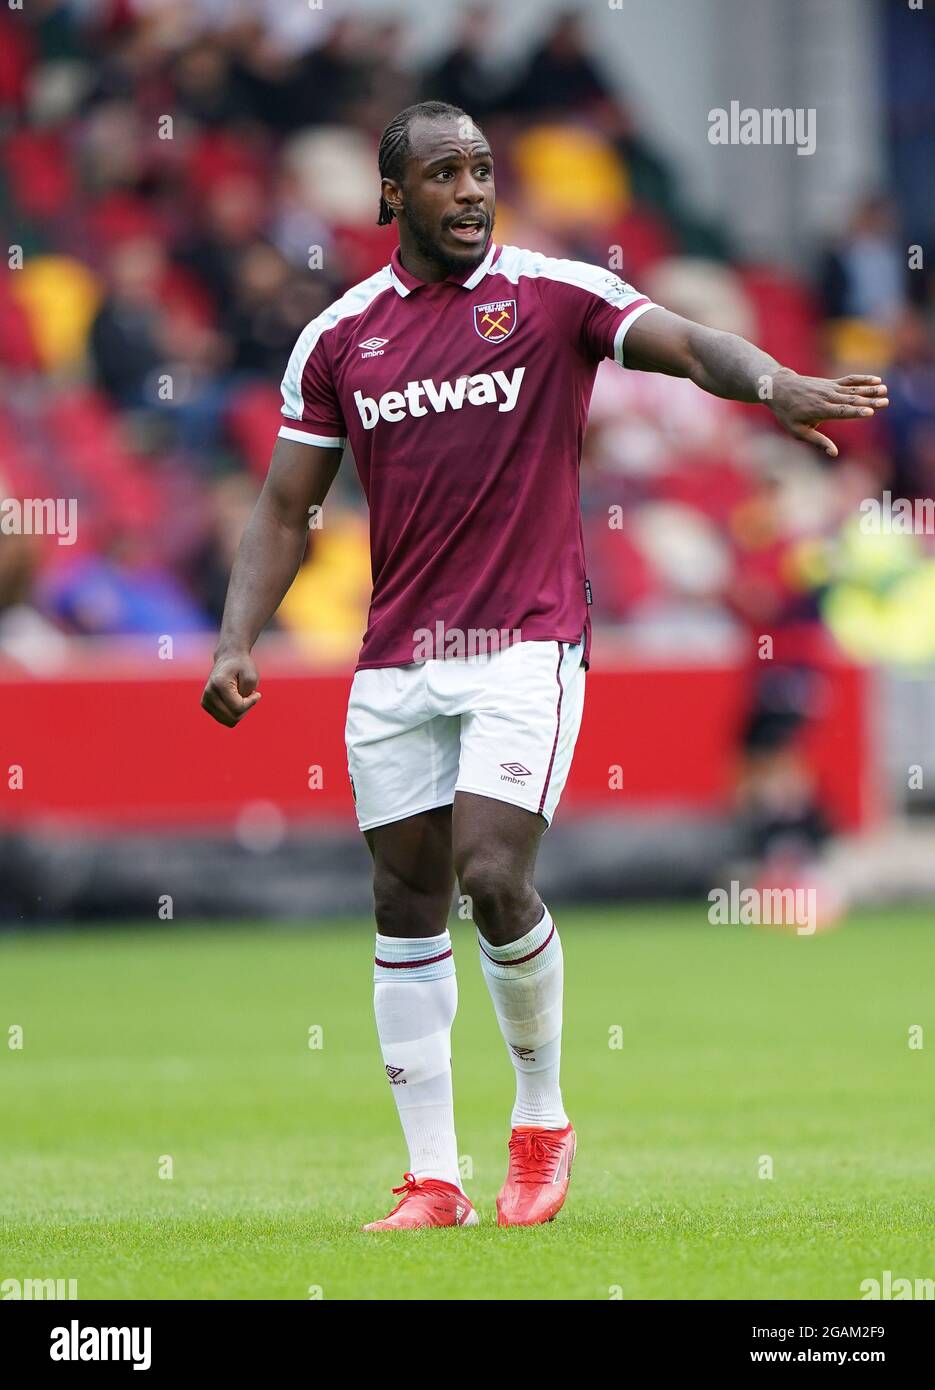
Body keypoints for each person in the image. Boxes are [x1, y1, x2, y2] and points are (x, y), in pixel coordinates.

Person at [201, 101, 888, 1231]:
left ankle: (539, 1122)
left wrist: (772, 383)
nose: (470, 191)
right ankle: (433, 1180)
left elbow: (685, 343)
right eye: (442, 175)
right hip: (396, 661)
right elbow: (286, 505)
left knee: (490, 872)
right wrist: (235, 638)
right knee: (403, 905)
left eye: (480, 170)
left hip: (524, 642)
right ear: (392, 198)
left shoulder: (552, 296)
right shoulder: (338, 339)